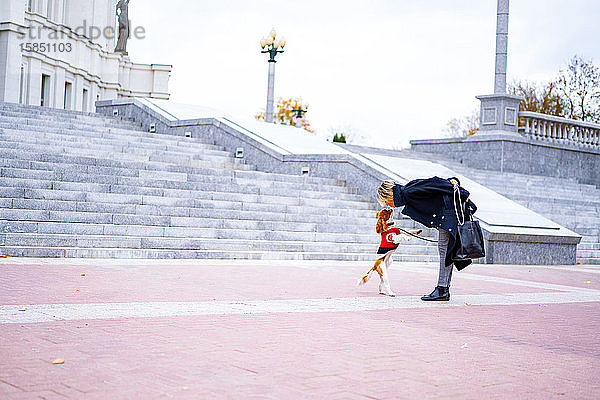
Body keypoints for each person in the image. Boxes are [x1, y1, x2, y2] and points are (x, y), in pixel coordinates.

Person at [376, 176, 477, 301]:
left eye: (386, 201)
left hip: (448, 213)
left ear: (389, 195)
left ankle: (442, 289)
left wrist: (462, 192)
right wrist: (451, 180)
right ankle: (443, 289)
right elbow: (433, 185)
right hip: (446, 215)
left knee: (444, 250)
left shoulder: (409, 191)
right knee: (446, 251)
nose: (387, 205)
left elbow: (434, 182)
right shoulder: (407, 193)